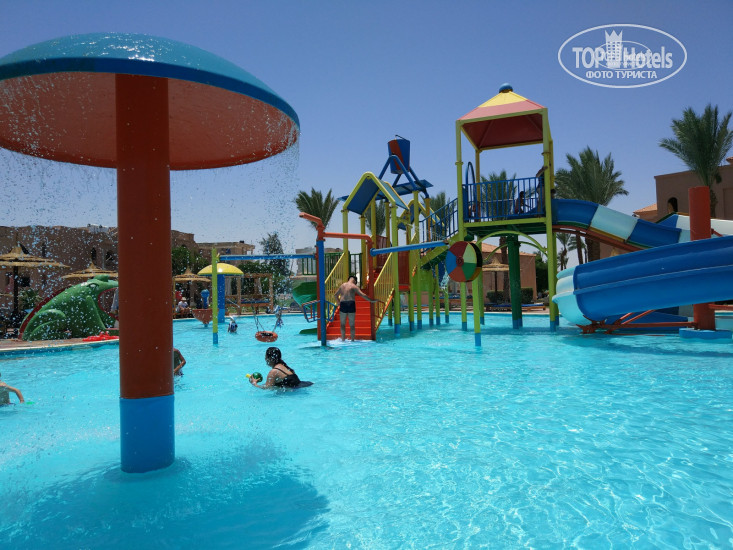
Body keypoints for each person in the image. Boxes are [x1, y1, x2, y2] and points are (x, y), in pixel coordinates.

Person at [334, 275, 377, 341]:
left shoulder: (342, 285)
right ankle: (352, 340)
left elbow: (335, 295)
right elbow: (363, 295)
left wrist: (338, 303)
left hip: (343, 303)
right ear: (355, 281)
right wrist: (371, 300)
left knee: (342, 324)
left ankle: (343, 340)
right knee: (352, 325)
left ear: (348, 279)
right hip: (351, 303)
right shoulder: (354, 286)